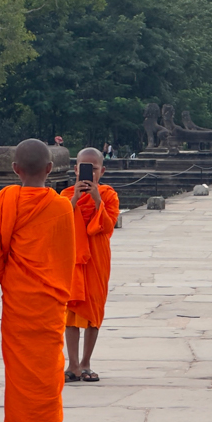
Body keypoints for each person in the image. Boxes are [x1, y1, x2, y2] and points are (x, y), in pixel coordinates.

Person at [0, 139, 78, 422]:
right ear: (51, 170)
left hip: (18, 298)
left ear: (15, 170)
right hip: (50, 300)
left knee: (20, 373)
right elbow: (67, 255)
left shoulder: (7, 199)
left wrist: (6, 279)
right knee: (48, 371)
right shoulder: (61, 205)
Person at [61, 148, 120, 383]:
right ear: (75, 170)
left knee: (94, 311)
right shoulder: (65, 195)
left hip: (96, 258)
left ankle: (86, 363)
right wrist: (75, 199)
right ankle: (72, 364)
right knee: (71, 311)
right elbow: (59, 223)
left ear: (101, 171)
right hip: (72, 259)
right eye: (84, 168)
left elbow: (107, 227)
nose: (89, 173)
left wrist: (96, 201)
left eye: (93, 169)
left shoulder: (108, 196)